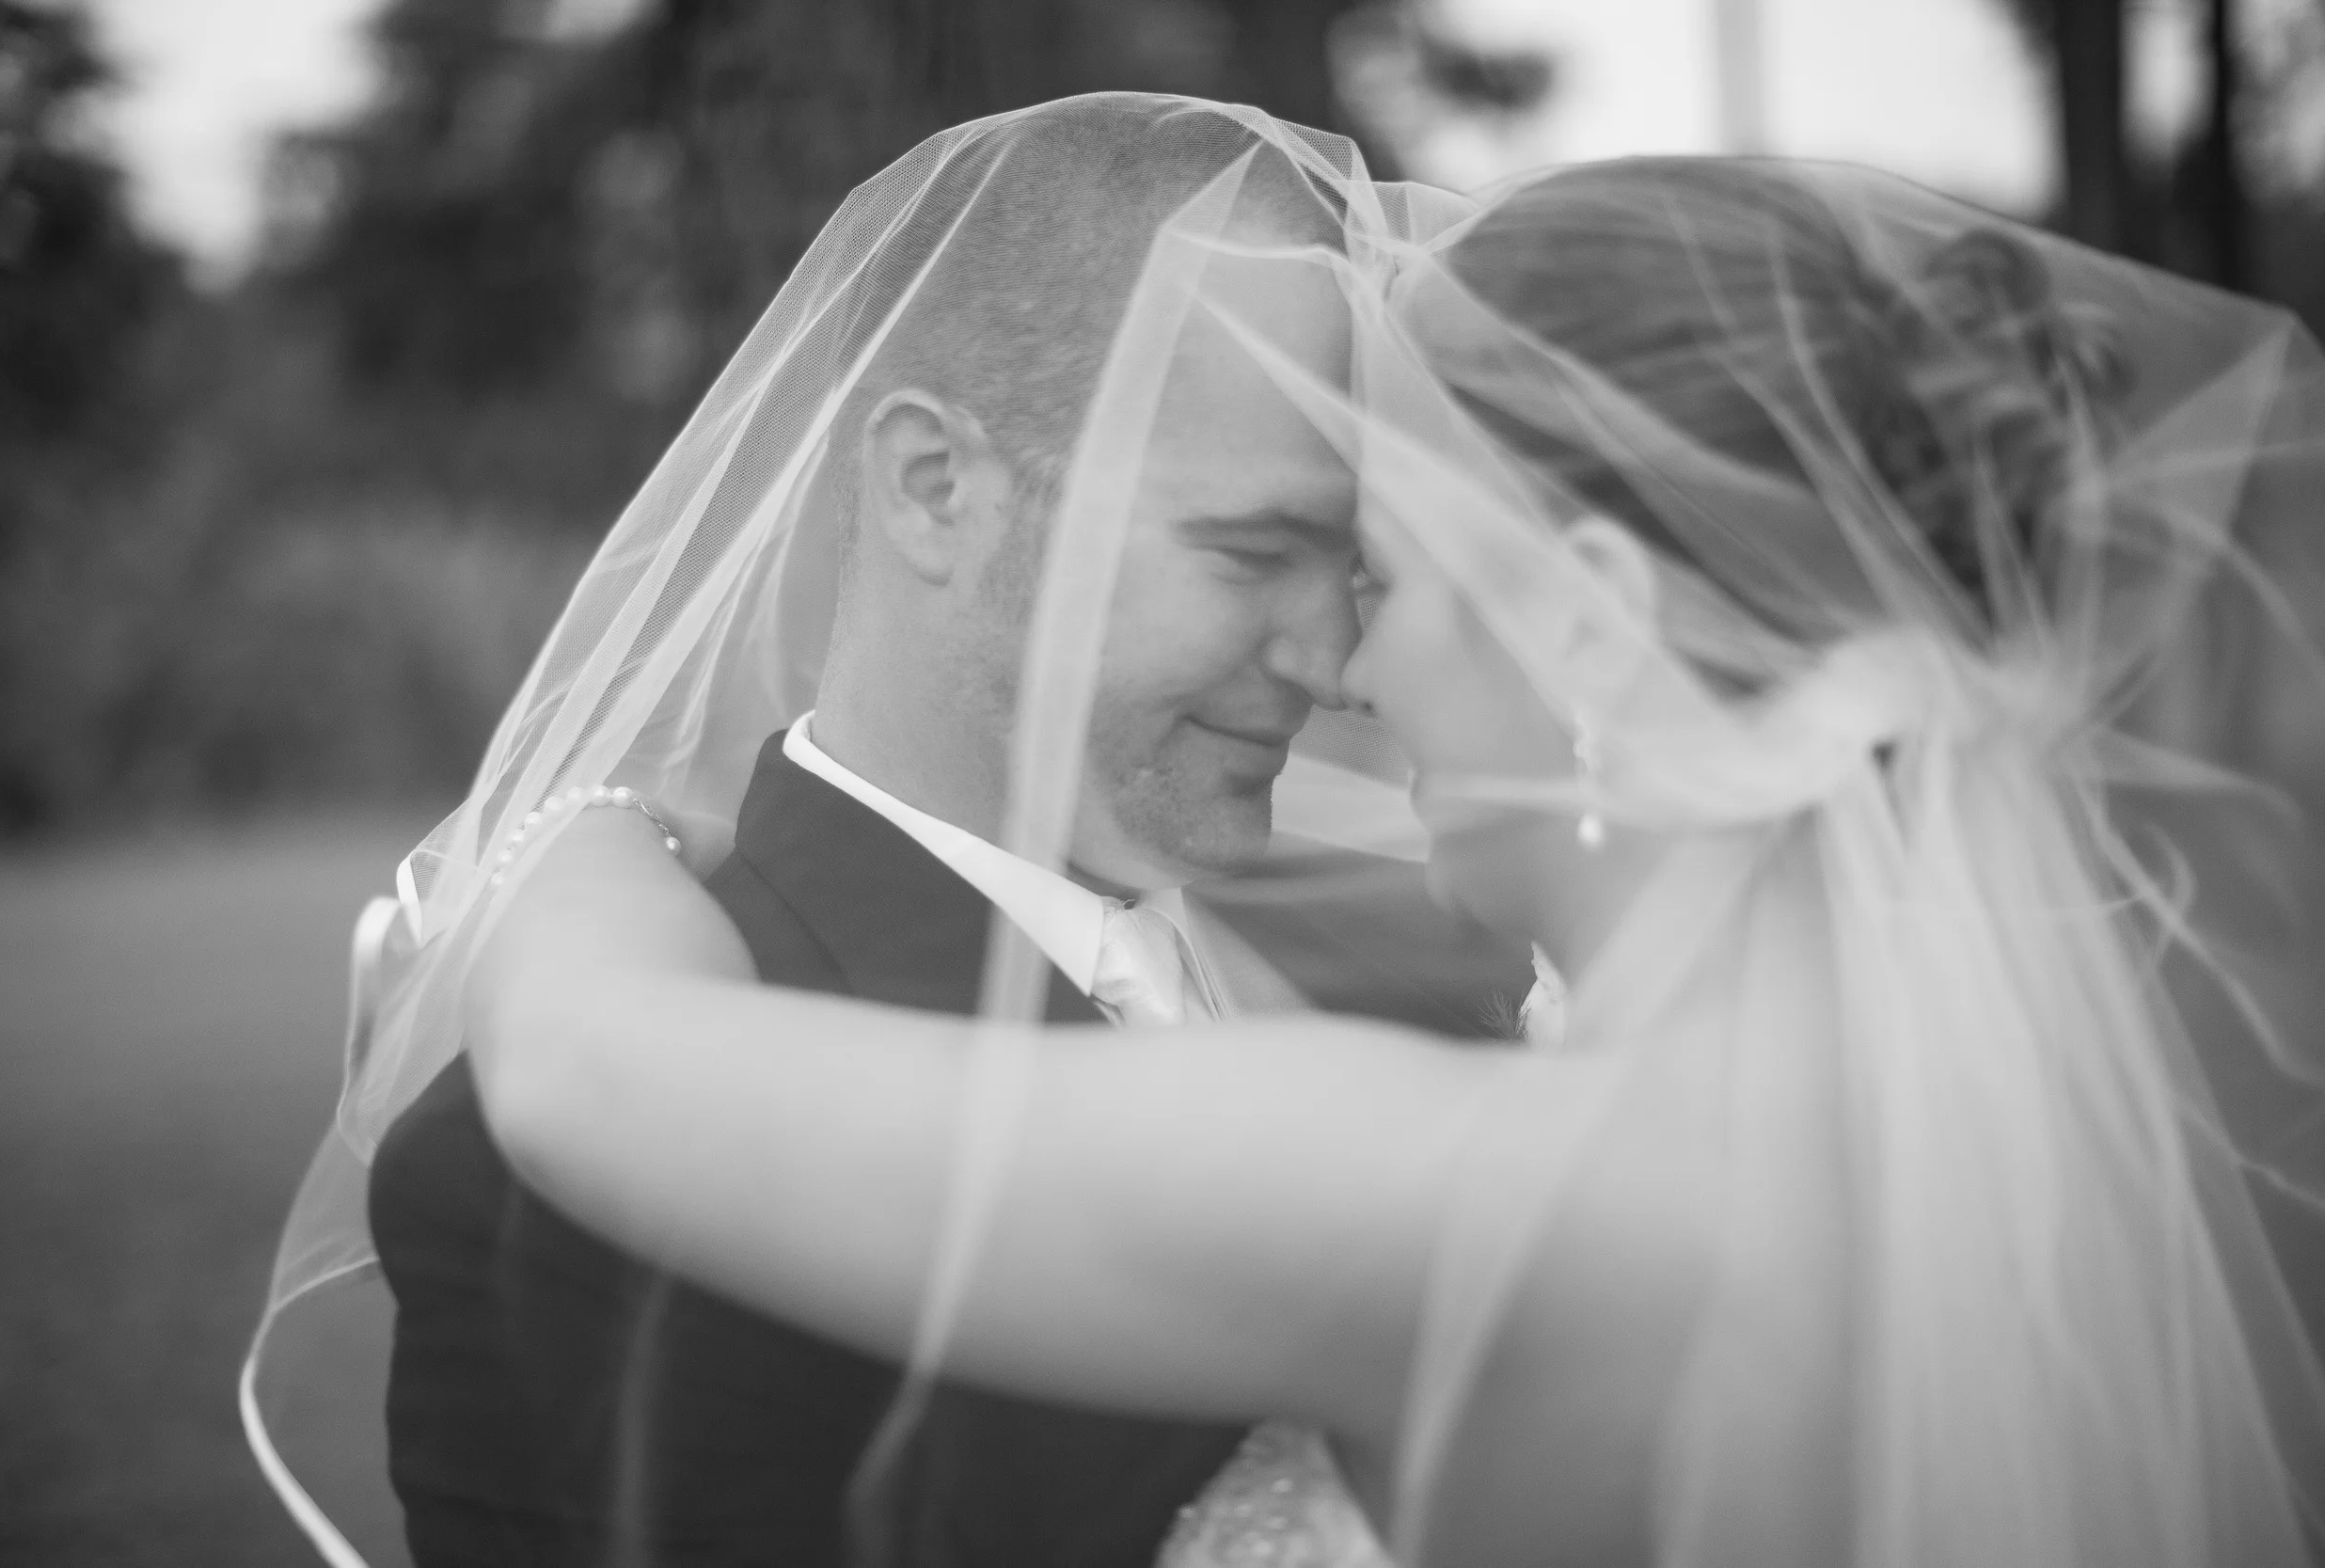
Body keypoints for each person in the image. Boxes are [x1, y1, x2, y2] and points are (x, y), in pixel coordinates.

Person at [459, 155, 2325, 1568]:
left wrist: (572, 833)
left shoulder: (1502, 1194)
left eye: (1398, 577)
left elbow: (586, 1065)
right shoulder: (2003, 1147)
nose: (1353, 667)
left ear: (1589, 624)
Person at [242, 96, 1517, 1568]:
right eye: (1251, 552)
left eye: (1355, 570)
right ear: (934, 489)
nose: (1335, 657)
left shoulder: (1448, 962)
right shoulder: (582, 1187)